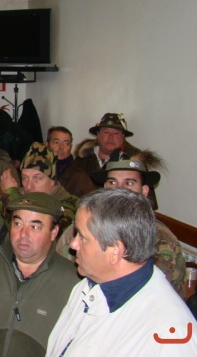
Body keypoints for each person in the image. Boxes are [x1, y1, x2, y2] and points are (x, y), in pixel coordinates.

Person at [46, 188, 197, 356]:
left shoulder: (170, 335)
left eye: (82, 237)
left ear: (116, 251)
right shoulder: (88, 286)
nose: (73, 244)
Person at [0, 192, 80, 357]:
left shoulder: (74, 283)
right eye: (17, 224)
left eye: (34, 227)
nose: (23, 234)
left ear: (54, 232)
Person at [57, 158, 186, 296]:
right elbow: (58, 276)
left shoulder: (163, 240)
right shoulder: (79, 230)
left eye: (129, 183)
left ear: (144, 191)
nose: (119, 189)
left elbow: (168, 294)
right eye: (112, 182)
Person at [0, 142, 78, 234]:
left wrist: (11, 194)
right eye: (24, 178)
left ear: (52, 181)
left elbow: (47, 235)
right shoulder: (19, 196)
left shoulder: (69, 205)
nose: (29, 186)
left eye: (37, 178)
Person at [46, 126, 95, 197]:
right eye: (56, 142)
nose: (61, 147)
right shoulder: (35, 169)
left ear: (70, 147)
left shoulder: (80, 178)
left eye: (66, 143)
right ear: (47, 145)